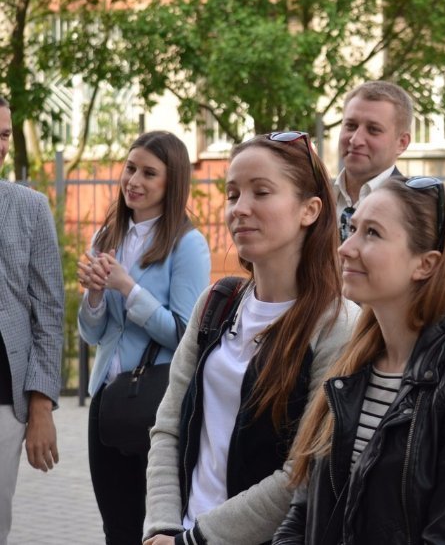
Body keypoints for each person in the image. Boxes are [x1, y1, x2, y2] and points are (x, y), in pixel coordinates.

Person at [143, 131, 359, 545]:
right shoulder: (216, 303)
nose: (240, 208)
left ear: (310, 209)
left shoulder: (338, 324)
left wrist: (195, 540)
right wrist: (163, 528)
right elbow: (168, 429)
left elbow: (301, 473)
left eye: (261, 192)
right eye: (232, 194)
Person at [274, 176, 445, 545]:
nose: (345, 248)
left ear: (425, 264)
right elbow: (301, 517)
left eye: (372, 233)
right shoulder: (348, 365)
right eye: (352, 228)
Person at [77, 130, 211, 544]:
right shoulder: (107, 236)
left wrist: (128, 288)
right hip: (107, 397)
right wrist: (94, 294)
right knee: (116, 528)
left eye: (149, 173)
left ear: (172, 182)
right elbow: (93, 333)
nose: (134, 181)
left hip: (156, 404)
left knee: (154, 529)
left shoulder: (188, 245)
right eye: (130, 168)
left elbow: (186, 335)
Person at [0, 96, 64, 545]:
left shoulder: (30, 207)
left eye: (4, 134)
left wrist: (41, 406)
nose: (0, 144)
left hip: (4, 402)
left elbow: (49, 312)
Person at [334, 80, 412, 241]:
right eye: (351, 126)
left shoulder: (413, 210)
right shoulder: (315, 196)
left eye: (373, 130)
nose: (355, 140)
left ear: (402, 143)